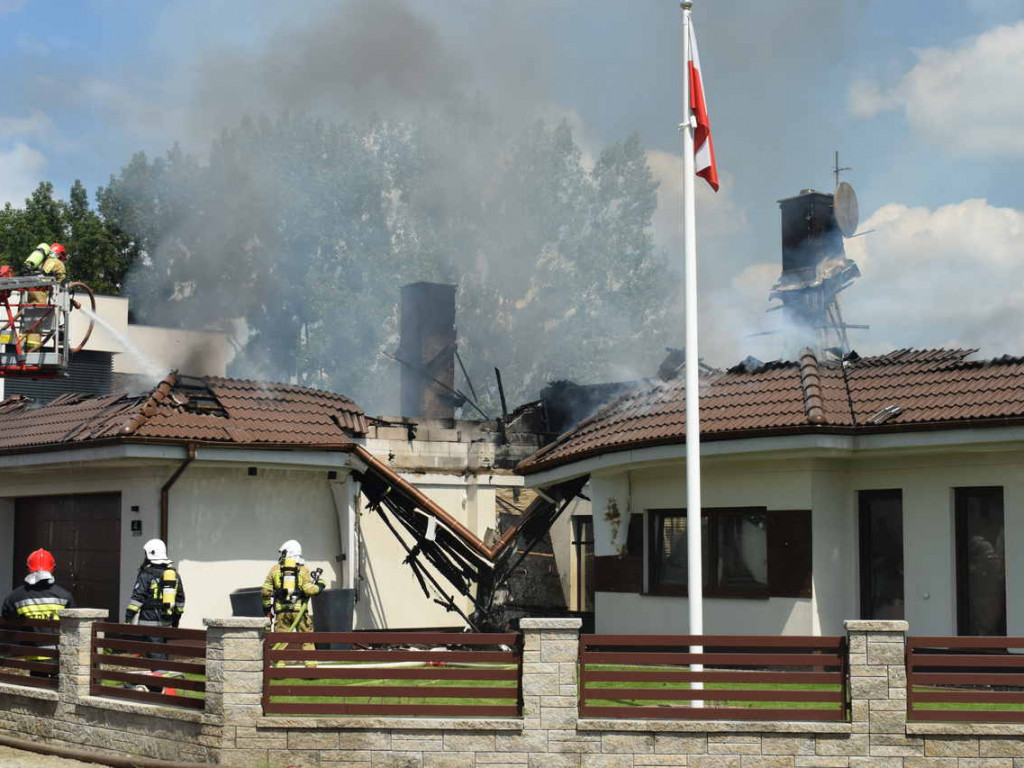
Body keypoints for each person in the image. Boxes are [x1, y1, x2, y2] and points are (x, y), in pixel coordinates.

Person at [1, 549, 75, 678]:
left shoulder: (16, 596)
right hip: (58, 654)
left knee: (38, 683)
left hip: (32, 654)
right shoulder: (64, 596)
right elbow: (73, 624)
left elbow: (7, 619)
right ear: (53, 568)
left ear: (28, 568)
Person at [124, 539, 185, 692]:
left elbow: (137, 598)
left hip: (148, 620)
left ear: (149, 554)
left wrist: (128, 618)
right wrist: (175, 620)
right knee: (161, 650)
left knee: (154, 652)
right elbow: (180, 600)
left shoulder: (146, 573)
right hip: (166, 621)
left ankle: (161, 688)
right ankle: (160, 685)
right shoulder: (173, 574)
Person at [261, 540, 325, 668]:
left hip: (281, 612)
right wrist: (320, 584)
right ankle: (310, 663)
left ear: (287, 552)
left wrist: (267, 607)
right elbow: (308, 590)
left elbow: (266, 590)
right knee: (306, 635)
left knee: (282, 638)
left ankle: (279, 663)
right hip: (299, 611)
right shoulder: (303, 570)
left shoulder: (275, 570)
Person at [22, 242, 68, 350]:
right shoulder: (58, 263)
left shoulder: (43, 261)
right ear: (60, 254)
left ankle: (23, 343)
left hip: (30, 290)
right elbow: (60, 281)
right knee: (37, 318)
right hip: (40, 292)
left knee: (27, 316)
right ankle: (33, 349)